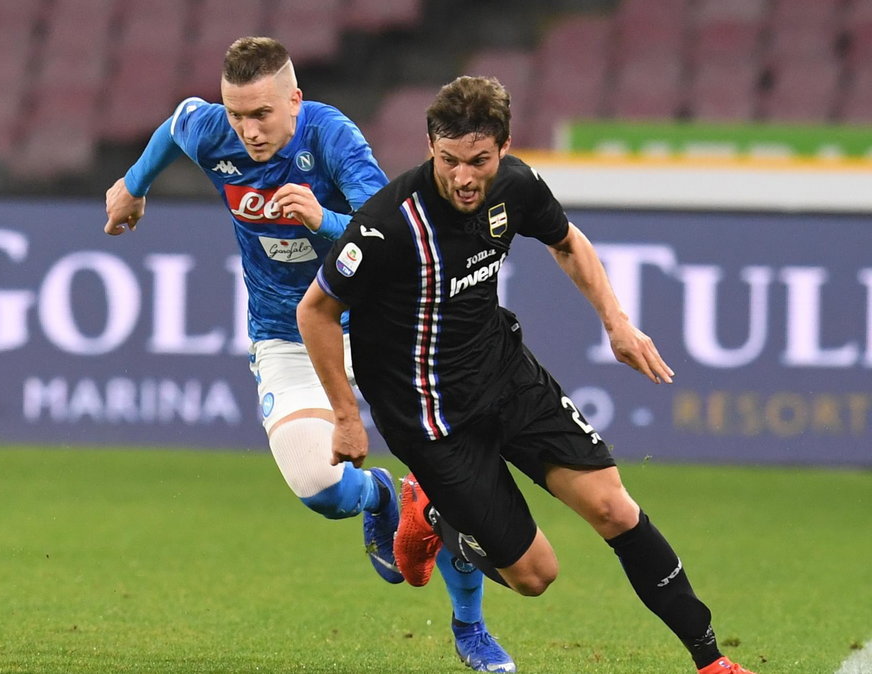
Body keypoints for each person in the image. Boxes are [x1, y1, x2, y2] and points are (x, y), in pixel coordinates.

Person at [297, 74, 756, 674]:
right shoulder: (390, 222)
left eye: (479, 160)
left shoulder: (514, 187)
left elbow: (567, 242)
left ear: (505, 147)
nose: (463, 176)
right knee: (537, 576)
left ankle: (711, 660)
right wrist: (346, 417)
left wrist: (616, 323)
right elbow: (316, 311)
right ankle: (434, 506)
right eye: (449, 160)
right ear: (431, 146)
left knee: (615, 508)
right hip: (430, 416)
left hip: (505, 375)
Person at [103, 38, 513, 671]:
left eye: (262, 115)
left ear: (295, 99)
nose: (248, 130)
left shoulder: (331, 139)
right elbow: (176, 124)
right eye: (237, 115)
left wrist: (323, 219)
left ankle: (470, 627)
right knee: (318, 486)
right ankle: (382, 497)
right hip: (286, 333)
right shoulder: (213, 129)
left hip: (383, 327)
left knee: (454, 488)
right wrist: (132, 187)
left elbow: (395, 234)